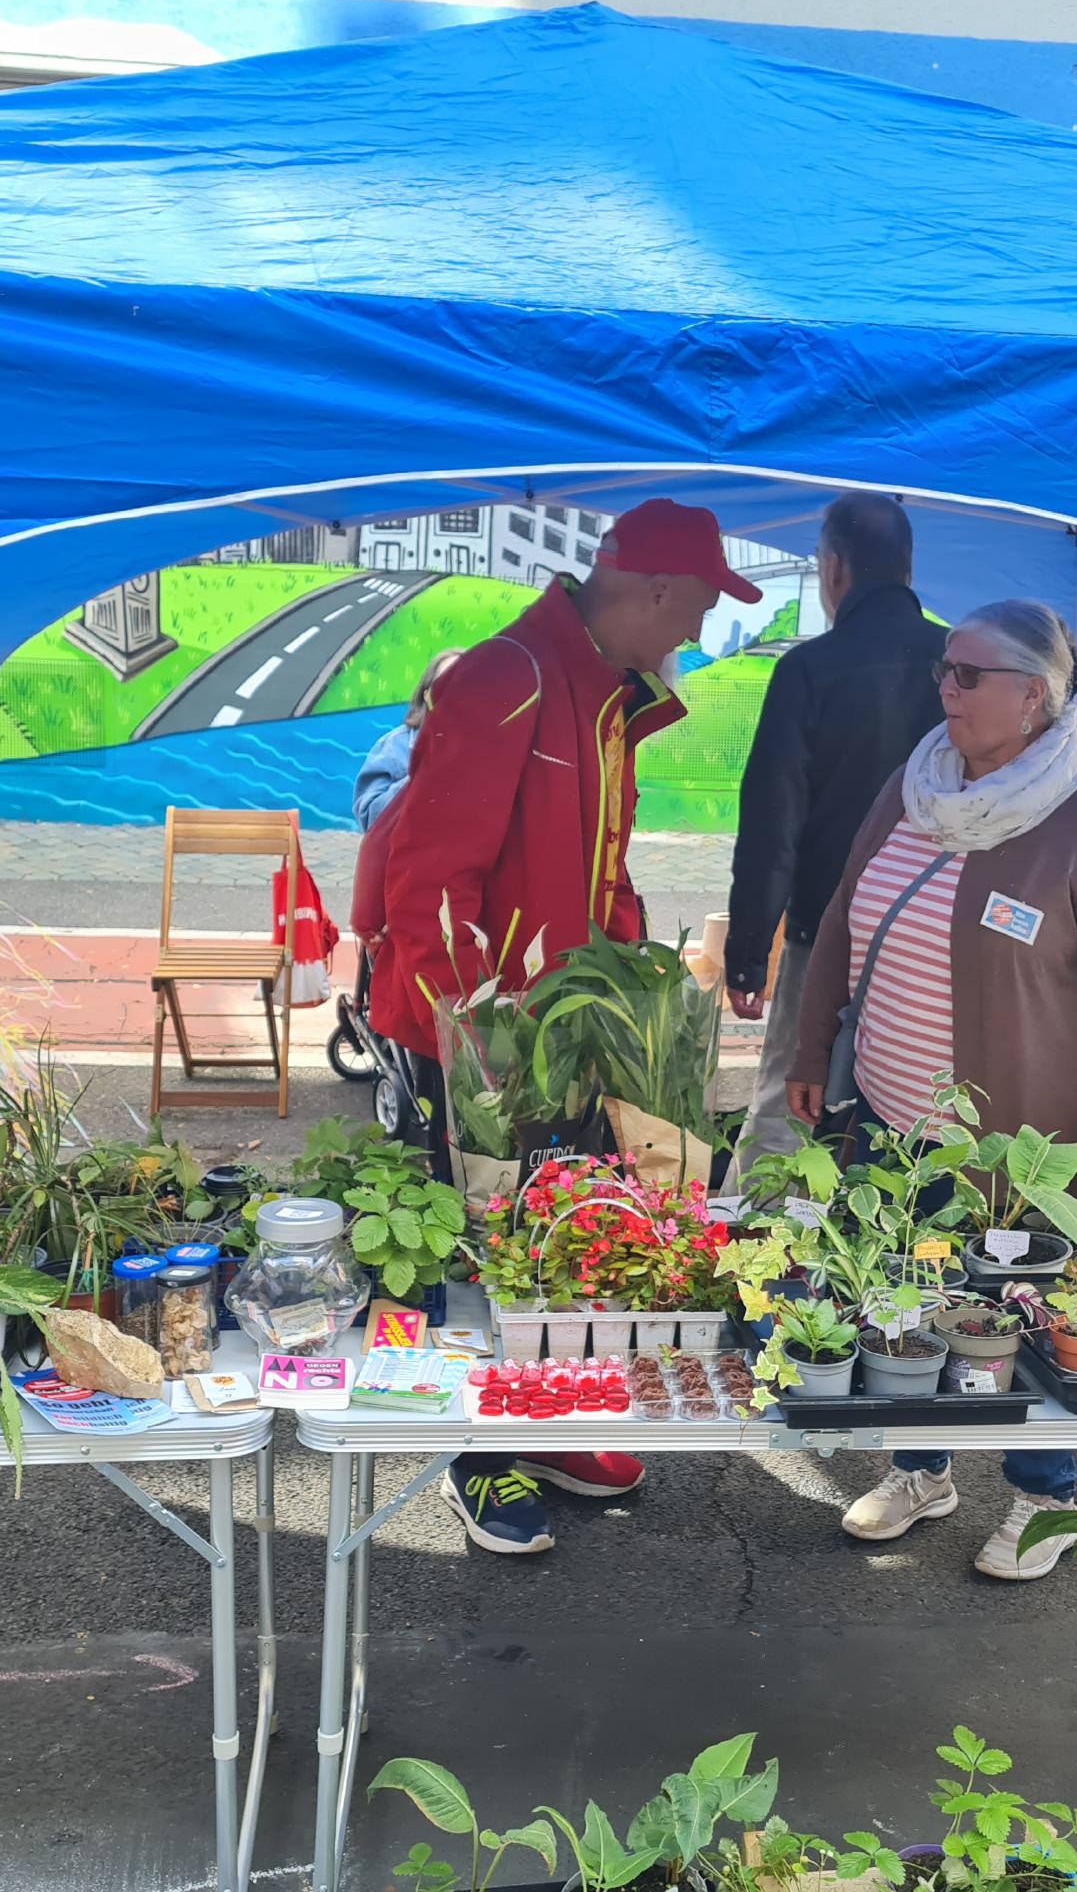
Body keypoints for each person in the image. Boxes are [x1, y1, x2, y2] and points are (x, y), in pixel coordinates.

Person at [364, 498, 762, 1554]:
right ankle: (477, 1458)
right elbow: (429, 880)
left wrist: (632, 1000)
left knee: (556, 1244)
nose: (699, 631)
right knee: (476, 1249)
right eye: (700, 607)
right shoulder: (508, 676)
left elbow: (603, 872)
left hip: (562, 1031)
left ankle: (544, 1424)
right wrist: (479, 1041)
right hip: (483, 1039)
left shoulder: (605, 694)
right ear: (657, 590)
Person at [789, 598, 1077, 1577]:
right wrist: (807, 1053)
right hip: (889, 1117)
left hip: (1017, 1142)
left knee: (1015, 1314)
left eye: (967, 675)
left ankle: (1044, 1496)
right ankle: (923, 1468)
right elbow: (843, 913)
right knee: (906, 1301)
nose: (945, 690)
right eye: (943, 672)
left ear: (1034, 697)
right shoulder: (915, 785)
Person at [723, 494, 944, 1187]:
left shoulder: (809, 668)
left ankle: (760, 1241)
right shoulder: (962, 665)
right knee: (916, 1103)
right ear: (909, 568)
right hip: (938, 937)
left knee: (789, 1098)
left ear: (834, 567)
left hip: (826, 931)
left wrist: (747, 957)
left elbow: (772, 824)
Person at [352, 649, 463, 831]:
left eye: (463, 683)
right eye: (444, 682)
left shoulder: (488, 749)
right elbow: (369, 818)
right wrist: (422, 774)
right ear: (426, 695)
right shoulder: (395, 746)